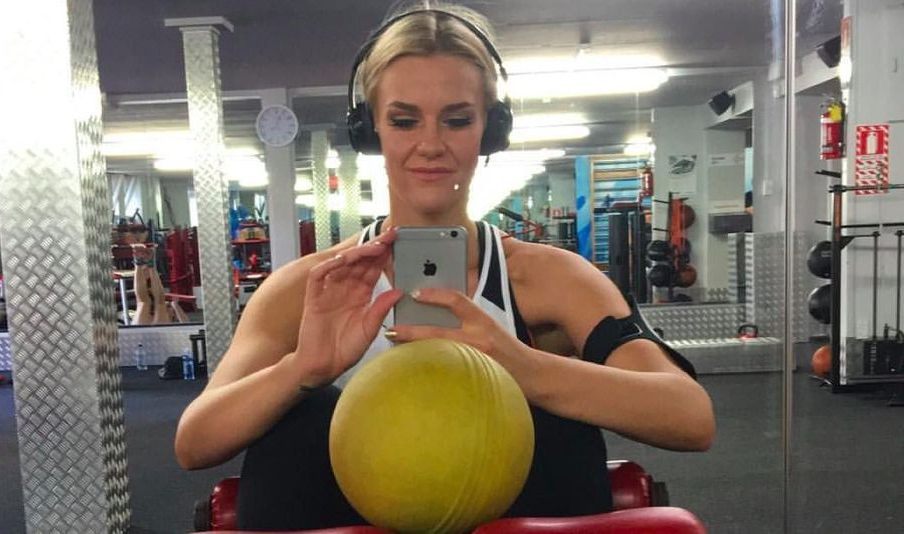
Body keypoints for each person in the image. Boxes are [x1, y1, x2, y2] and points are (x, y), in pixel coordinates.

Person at [175, 2, 715, 529]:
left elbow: (691, 417)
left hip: (512, 513)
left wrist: (520, 365)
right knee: (302, 418)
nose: (430, 144)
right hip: (346, 509)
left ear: (490, 129)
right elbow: (194, 442)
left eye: (457, 120)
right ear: (371, 129)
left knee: (548, 420)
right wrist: (302, 370)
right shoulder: (309, 288)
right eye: (404, 120)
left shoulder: (550, 278)